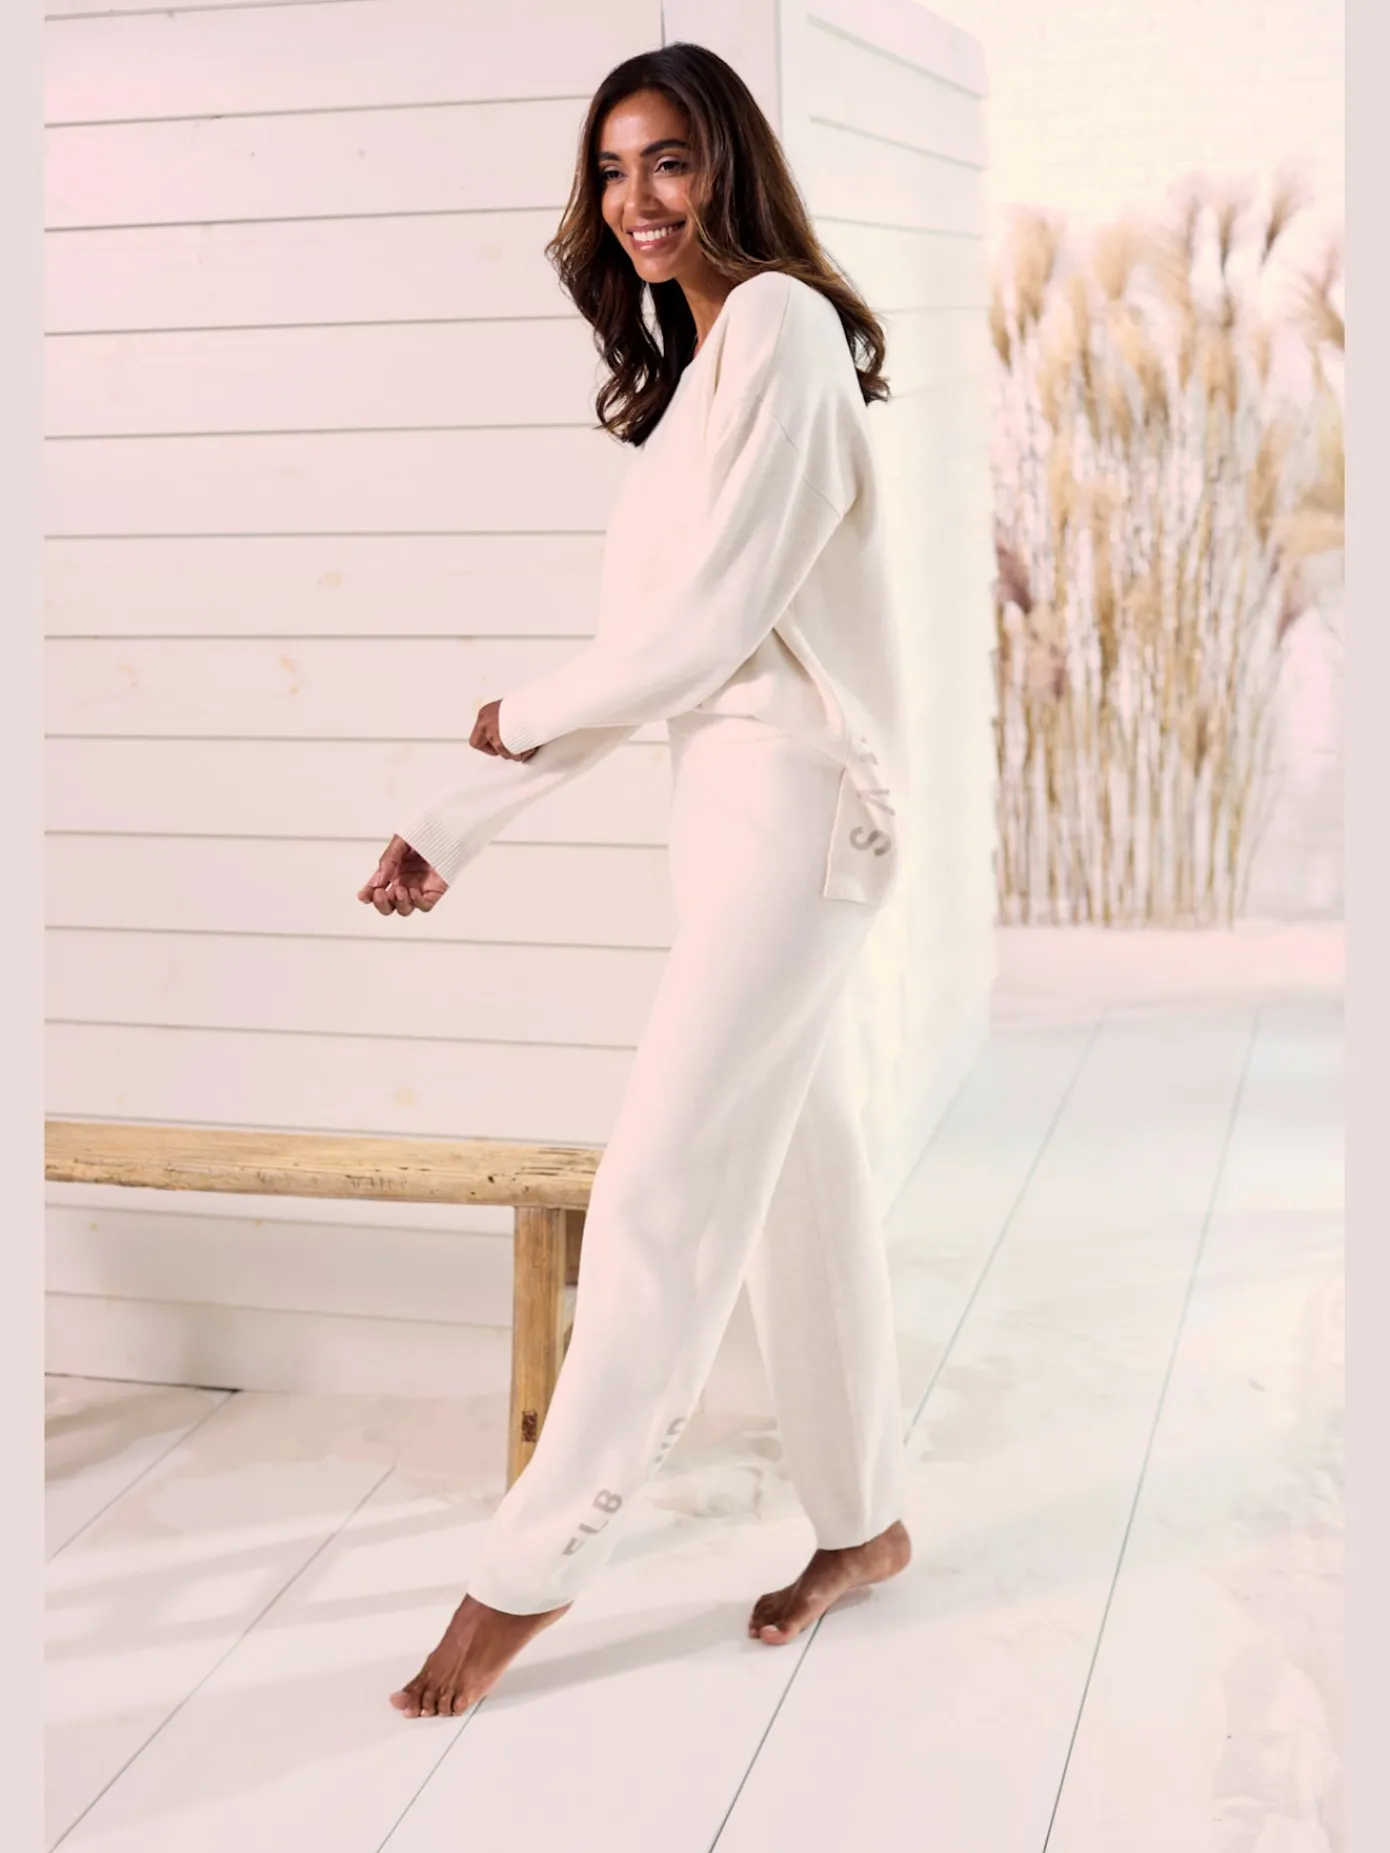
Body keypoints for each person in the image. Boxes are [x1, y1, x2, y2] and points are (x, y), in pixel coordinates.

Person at [357, 42, 913, 1720]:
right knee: (802, 1187)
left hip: (804, 822)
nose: (636, 200)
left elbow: (709, 631)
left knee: (661, 1189)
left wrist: (513, 716)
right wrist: (455, 812)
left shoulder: (784, 328)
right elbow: (657, 655)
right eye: (611, 170)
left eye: (669, 160)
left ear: (728, 163)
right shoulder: (697, 375)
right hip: (733, 823)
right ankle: (864, 1524)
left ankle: (517, 1580)